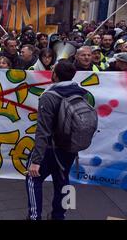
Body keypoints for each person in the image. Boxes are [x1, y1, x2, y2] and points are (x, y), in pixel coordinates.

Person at [26, 60, 88, 220]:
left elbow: (43, 131)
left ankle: (34, 217)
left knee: (33, 179)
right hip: (70, 148)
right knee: (63, 180)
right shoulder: (81, 92)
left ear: (55, 75)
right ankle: (59, 216)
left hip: (50, 148)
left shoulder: (49, 96)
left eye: (53, 70)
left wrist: (36, 160)